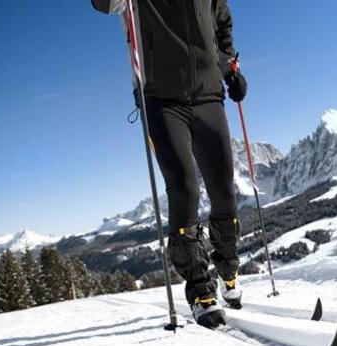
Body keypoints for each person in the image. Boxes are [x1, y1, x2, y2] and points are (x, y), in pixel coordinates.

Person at [91, 0, 247, 328]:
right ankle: (201, 291)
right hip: (160, 101)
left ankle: (228, 270)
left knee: (224, 193)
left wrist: (228, 67)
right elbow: (103, 4)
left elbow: (221, 22)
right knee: (184, 187)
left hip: (208, 96)